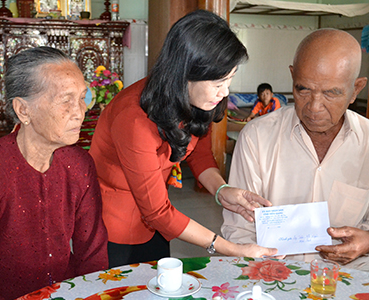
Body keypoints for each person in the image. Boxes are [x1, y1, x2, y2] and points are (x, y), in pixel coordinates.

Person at [89, 10, 278, 268]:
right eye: (218, 82)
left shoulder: (198, 100)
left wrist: (221, 190)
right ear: (185, 72)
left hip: (158, 221)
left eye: (229, 80)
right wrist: (232, 248)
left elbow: (199, 153)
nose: (225, 93)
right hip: (115, 226)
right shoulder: (134, 119)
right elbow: (156, 212)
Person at [222, 29, 369, 273]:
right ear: (292, 76)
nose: (314, 107)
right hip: (270, 276)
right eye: (303, 90)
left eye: (331, 93)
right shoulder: (257, 137)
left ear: (356, 89)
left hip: (349, 280)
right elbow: (238, 229)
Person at [0, 47, 108, 300]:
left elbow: (92, 252)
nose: (80, 111)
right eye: (65, 100)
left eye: (82, 97)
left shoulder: (80, 165)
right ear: (23, 110)